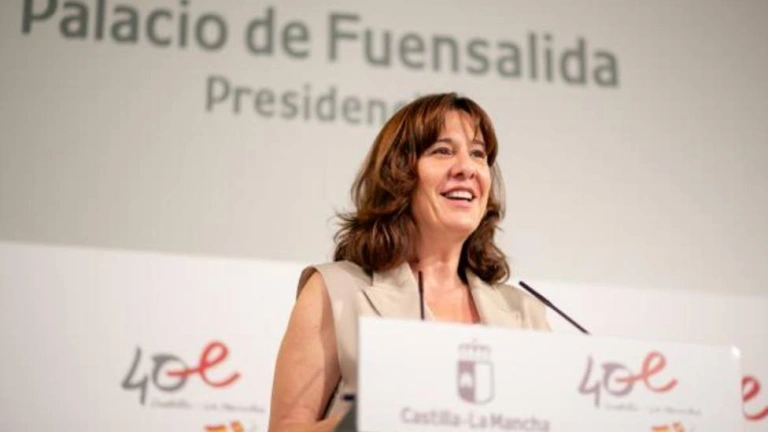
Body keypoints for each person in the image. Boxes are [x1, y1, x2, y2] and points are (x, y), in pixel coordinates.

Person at [268, 93, 550, 432]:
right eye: (442, 151)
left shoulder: (525, 314)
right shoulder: (336, 291)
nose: (467, 168)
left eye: (478, 154)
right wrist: (380, 416)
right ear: (399, 174)